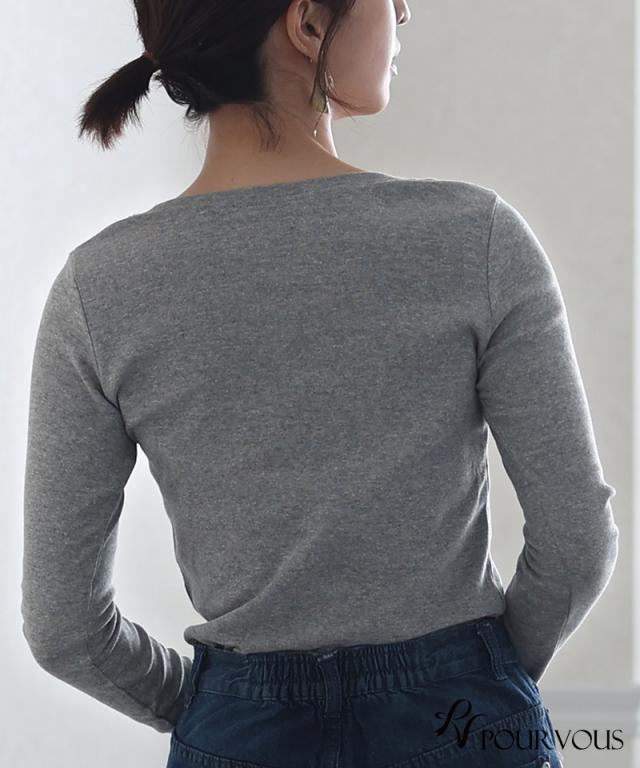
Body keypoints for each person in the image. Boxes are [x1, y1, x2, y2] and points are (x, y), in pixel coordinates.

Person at [21, 1, 616, 766]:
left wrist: (219, 707)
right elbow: (576, 545)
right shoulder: (475, 239)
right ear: (306, 24)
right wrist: (478, 680)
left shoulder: (99, 289)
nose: (404, 10)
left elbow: (63, 627)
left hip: (242, 730)